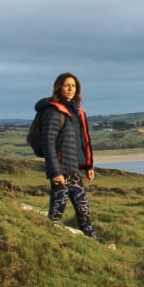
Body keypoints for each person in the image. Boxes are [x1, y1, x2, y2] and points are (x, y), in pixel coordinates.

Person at [35, 72, 97, 238]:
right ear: (59, 88)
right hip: (60, 173)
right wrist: (56, 173)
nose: (70, 89)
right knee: (56, 214)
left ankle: (93, 243)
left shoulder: (77, 112)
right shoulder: (52, 112)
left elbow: (82, 141)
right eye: (66, 85)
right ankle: (47, 241)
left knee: (83, 210)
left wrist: (88, 166)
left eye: (73, 86)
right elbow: (48, 143)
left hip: (74, 172)